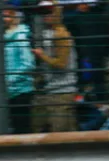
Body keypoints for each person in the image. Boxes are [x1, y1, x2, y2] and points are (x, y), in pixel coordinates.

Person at [32, 1, 75, 132]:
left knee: (62, 135)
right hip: (48, 91)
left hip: (62, 91)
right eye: (43, 12)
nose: (46, 15)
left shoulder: (61, 34)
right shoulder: (45, 33)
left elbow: (61, 64)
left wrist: (41, 55)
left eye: (49, 12)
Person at [3, 7, 34, 134]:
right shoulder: (3, 36)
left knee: (21, 126)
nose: (4, 19)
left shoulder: (21, 36)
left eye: (8, 16)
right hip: (8, 89)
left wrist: (10, 79)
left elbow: (28, 64)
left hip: (21, 89)